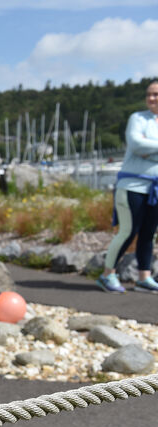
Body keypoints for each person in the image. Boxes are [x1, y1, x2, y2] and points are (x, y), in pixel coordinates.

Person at [97, 80, 158, 293]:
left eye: (156, 94)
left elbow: (144, 147)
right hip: (132, 186)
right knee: (128, 231)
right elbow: (136, 144)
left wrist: (149, 149)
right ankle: (107, 275)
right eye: (149, 94)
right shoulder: (137, 118)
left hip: (154, 190)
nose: (151, 98)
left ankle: (143, 278)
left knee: (149, 234)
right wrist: (144, 148)